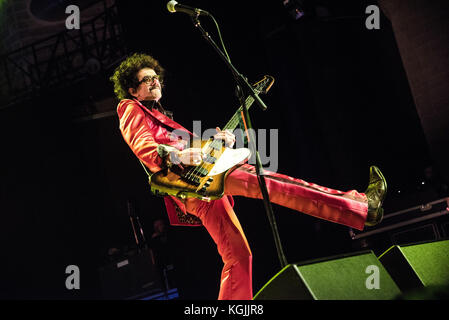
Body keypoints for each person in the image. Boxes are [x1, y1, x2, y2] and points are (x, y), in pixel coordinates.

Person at [110, 53, 387, 300]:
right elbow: (144, 146)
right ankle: (362, 206)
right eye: (147, 79)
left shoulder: (163, 117)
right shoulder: (129, 108)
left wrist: (216, 141)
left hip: (200, 186)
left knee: (238, 256)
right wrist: (179, 156)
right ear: (132, 90)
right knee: (275, 185)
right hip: (196, 183)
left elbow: (194, 151)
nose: (156, 81)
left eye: (156, 77)